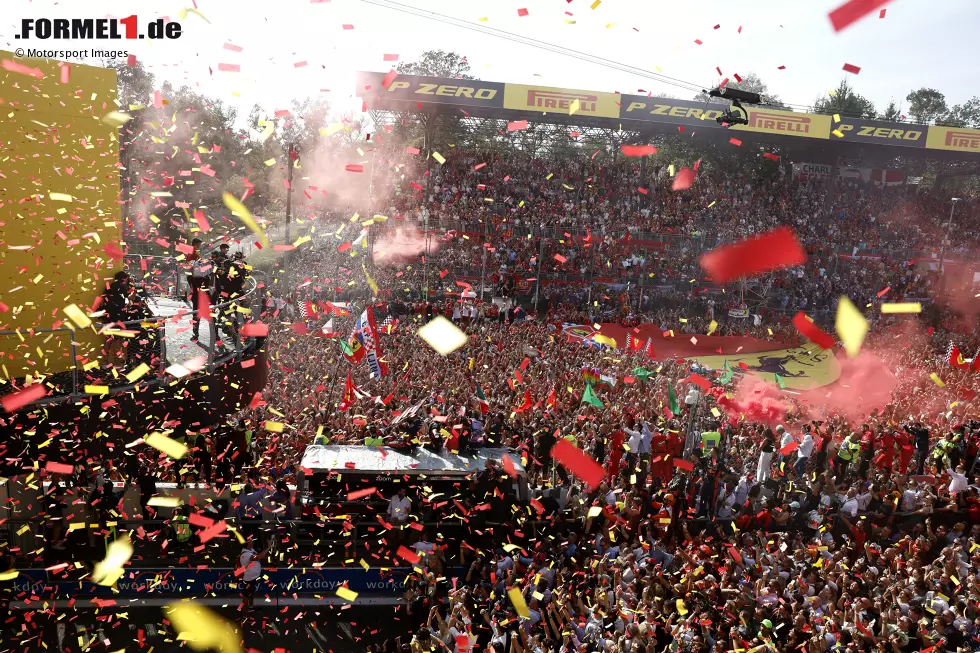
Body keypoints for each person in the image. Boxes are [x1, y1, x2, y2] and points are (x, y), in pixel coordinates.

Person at [238, 536, 272, 612]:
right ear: (247, 543)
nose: (253, 542)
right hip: (248, 580)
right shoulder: (245, 554)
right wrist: (268, 547)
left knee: (251, 593)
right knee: (246, 597)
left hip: (253, 578)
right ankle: (244, 615)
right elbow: (256, 558)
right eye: (251, 541)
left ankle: (251, 606)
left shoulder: (251, 550)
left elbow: (259, 557)